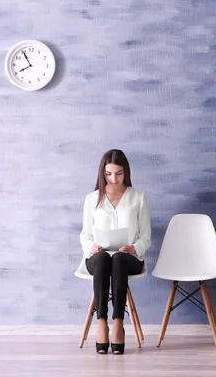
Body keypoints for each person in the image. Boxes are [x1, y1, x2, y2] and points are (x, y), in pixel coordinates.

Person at [80, 149, 151, 355]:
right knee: (103, 258)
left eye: (118, 173)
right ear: (102, 173)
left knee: (118, 258)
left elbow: (146, 237)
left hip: (128, 258)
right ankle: (102, 324)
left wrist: (135, 248)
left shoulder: (138, 198)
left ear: (125, 172)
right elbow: (85, 234)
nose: (113, 179)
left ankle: (118, 322)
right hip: (98, 258)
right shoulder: (91, 199)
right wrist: (91, 247)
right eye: (109, 174)